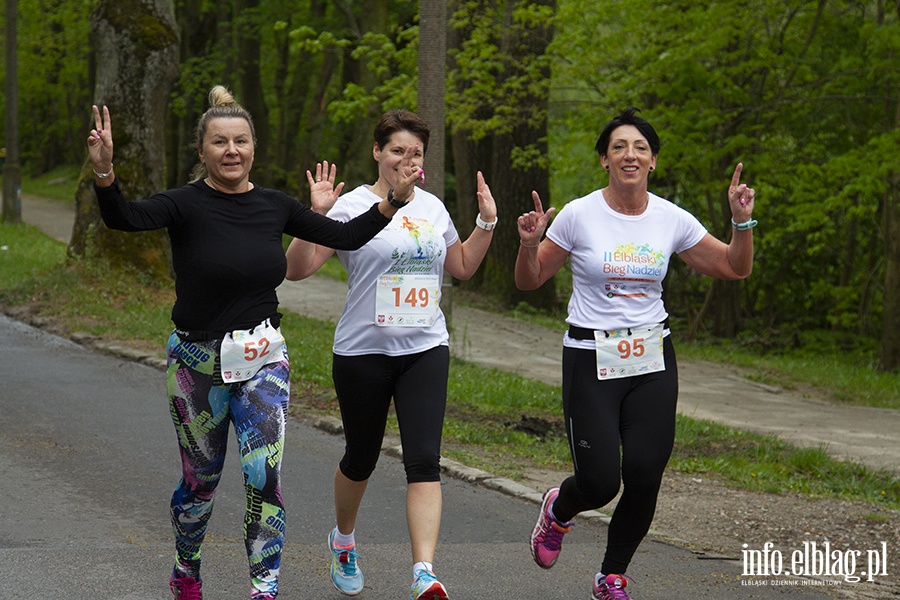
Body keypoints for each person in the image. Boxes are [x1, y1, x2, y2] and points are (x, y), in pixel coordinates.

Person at [86, 86, 417, 600]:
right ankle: (186, 568)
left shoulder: (274, 206)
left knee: (264, 478)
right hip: (196, 363)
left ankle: (265, 589)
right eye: (220, 142)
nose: (231, 151)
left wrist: (390, 201)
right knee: (201, 482)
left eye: (241, 141)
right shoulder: (183, 204)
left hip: (263, 359)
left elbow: (347, 239)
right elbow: (122, 217)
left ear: (254, 148)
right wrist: (105, 172)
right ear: (203, 152)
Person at [515, 107, 756, 600]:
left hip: (651, 357)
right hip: (590, 357)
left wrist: (741, 221)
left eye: (640, 147)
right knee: (601, 482)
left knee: (645, 473)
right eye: (619, 147)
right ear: (604, 159)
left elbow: (734, 267)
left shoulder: (670, 217)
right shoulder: (580, 213)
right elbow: (530, 278)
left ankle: (612, 576)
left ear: (652, 162)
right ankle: (560, 509)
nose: (630, 154)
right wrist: (528, 244)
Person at [284, 109, 497, 600]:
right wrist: (315, 214)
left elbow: (461, 265)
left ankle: (424, 571)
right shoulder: (351, 205)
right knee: (362, 457)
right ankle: (343, 540)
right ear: (378, 153)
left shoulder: (433, 208)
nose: (408, 160)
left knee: (424, 460)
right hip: (363, 351)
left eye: (416, 153)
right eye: (398, 150)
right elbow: (297, 270)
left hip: (425, 347)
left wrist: (486, 221)